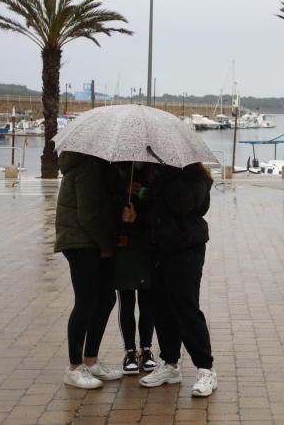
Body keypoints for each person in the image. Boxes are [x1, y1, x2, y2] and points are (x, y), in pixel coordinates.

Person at [139, 163, 217, 397]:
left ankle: (205, 368)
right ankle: (170, 363)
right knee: (161, 307)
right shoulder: (158, 174)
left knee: (186, 306)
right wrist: (143, 194)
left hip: (186, 247)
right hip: (158, 247)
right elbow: (156, 207)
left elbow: (184, 203)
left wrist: (167, 176)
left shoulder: (195, 176)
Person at [55, 152, 124, 389]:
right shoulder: (87, 168)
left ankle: (91, 360)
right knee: (86, 302)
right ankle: (74, 367)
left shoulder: (98, 168)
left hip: (92, 242)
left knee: (105, 299)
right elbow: (88, 215)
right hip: (81, 243)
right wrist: (106, 245)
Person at [111, 163, 157, 375]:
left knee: (147, 302)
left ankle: (146, 349)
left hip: (148, 244)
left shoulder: (155, 168)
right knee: (127, 300)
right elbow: (105, 200)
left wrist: (143, 196)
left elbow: (161, 202)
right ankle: (130, 351)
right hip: (124, 244)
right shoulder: (114, 169)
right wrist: (122, 201)